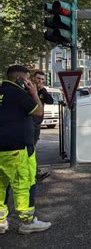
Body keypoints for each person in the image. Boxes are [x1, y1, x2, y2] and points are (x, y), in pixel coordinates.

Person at [0, 65, 52, 234]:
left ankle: (1, 222)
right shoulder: (17, 92)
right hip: (17, 148)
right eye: (28, 79)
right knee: (23, 184)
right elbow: (38, 111)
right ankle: (27, 222)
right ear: (20, 79)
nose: (30, 82)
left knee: (1, 186)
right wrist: (34, 94)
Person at [32, 71, 54, 182]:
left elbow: (50, 101)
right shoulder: (28, 89)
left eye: (42, 79)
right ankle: (34, 173)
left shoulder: (42, 91)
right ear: (33, 78)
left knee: (32, 148)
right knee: (30, 149)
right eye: (38, 78)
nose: (40, 81)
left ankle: (34, 172)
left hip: (37, 124)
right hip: (28, 123)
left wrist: (43, 90)